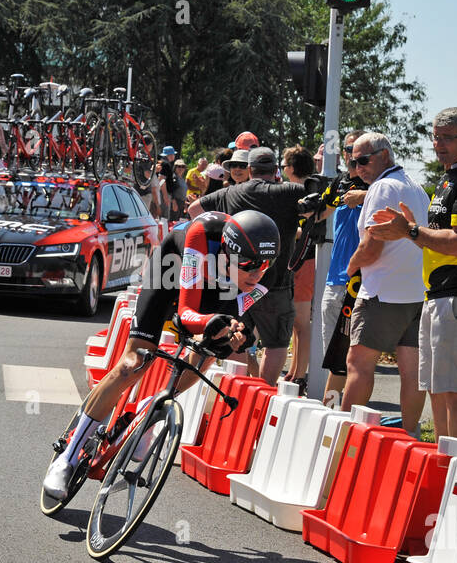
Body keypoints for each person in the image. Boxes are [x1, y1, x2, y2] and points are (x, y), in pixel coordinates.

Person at [43, 209, 280, 499]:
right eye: (249, 264)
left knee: (210, 350)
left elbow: (233, 317)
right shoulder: (200, 236)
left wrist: (235, 333)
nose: (257, 273)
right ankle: (68, 456)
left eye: (264, 265)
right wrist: (209, 322)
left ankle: (147, 410)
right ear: (229, 251)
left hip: (215, 286)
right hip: (168, 274)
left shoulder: (261, 274)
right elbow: (186, 312)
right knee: (134, 362)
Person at [368, 107, 457, 442]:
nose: (439, 144)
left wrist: (410, 231)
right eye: (436, 137)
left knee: (453, 390)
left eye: (448, 138)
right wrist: (411, 228)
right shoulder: (448, 177)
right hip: (439, 293)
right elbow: (437, 240)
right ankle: (444, 459)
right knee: (437, 389)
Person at [188, 146, 316, 386]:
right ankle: (263, 395)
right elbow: (317, 203)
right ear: (276, 170)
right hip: (275, 283)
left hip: (238, 282)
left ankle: (237, 390)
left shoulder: (231, 193)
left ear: (249, 169)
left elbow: (194, 211)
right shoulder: (290, 191)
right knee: (275, 344)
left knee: (235, 336)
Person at [337, 132, 429, 436]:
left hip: (381, 291)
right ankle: (409, 433)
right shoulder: (416, 187)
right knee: (412, 373)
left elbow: (372, 244)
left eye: (363, 160)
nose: (357, 167)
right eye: (353, 161)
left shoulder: (381, 187)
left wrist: (351, 266)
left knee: (358, 364)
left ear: (385, 156)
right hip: (416, 292)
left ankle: (345, 433)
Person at [318, 132, 367, 404]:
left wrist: (364, 195)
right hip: (334, 281)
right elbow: (319, 210)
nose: (351, 155)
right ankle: (332, 415)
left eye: (358, 151)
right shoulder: (339, 183)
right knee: (333, 356)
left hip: (362, 282)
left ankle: (349, 418)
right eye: (348, 149)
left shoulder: (379, 186)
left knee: (356, 360)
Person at [281, 145, 318, 389]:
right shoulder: (305, 190)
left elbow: (307, 230)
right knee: (296, 321)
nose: (283, 170)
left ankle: (302, 375)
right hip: (300, 260)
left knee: (302, 322)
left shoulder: (307, 193)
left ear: (292, 168)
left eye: (284, 165)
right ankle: (295, 371)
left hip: (306, 260)